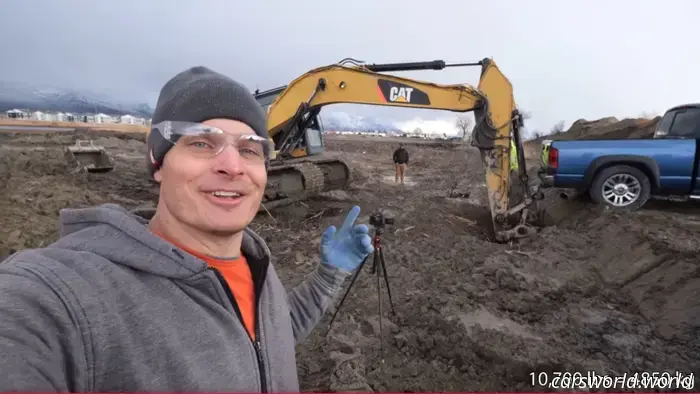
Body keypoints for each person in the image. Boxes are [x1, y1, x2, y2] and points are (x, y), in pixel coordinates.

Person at [0, 66, 374, 392]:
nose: (232, 165)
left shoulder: (256, 264)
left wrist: (329, 276)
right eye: (200, 142)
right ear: (158, 162)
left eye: (249, 149)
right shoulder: (65, 296)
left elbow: (271, 339)